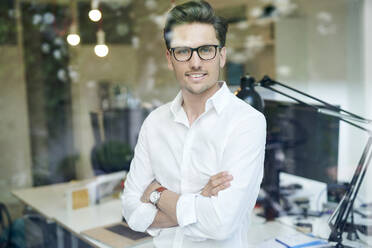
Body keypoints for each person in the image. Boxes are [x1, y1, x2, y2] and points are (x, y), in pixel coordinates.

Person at [121, 1, 266, 247]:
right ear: (170, 58)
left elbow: (220, 224)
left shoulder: (247, 122)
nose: (195, 62)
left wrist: (157, 194)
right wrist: (199, 201)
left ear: (221, 55)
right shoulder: (155, 123)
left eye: (206, 49)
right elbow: (132, 213)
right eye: (183, 51)